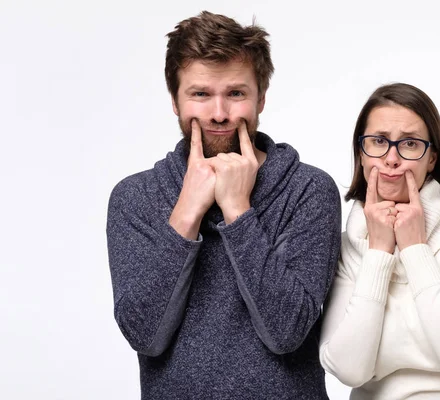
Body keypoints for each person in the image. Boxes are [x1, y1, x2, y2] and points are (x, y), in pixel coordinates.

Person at [106, 11, 341, 399]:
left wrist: (238, 211)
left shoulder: (308, 190)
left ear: (261, 98)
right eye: (200, 94)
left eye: (236, 93)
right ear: (175, 101)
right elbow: (145, 335)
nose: (219, 113)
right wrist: (186, 213)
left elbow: (286, 332)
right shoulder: (136, 198)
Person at [319, 83, 440, 399]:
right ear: (361, 154)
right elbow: (348, 369)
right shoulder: (348, 245)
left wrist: (414, 248)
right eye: (378, 142)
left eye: (409, 144)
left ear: (432, 158)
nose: (391, 158)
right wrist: (379, 253)